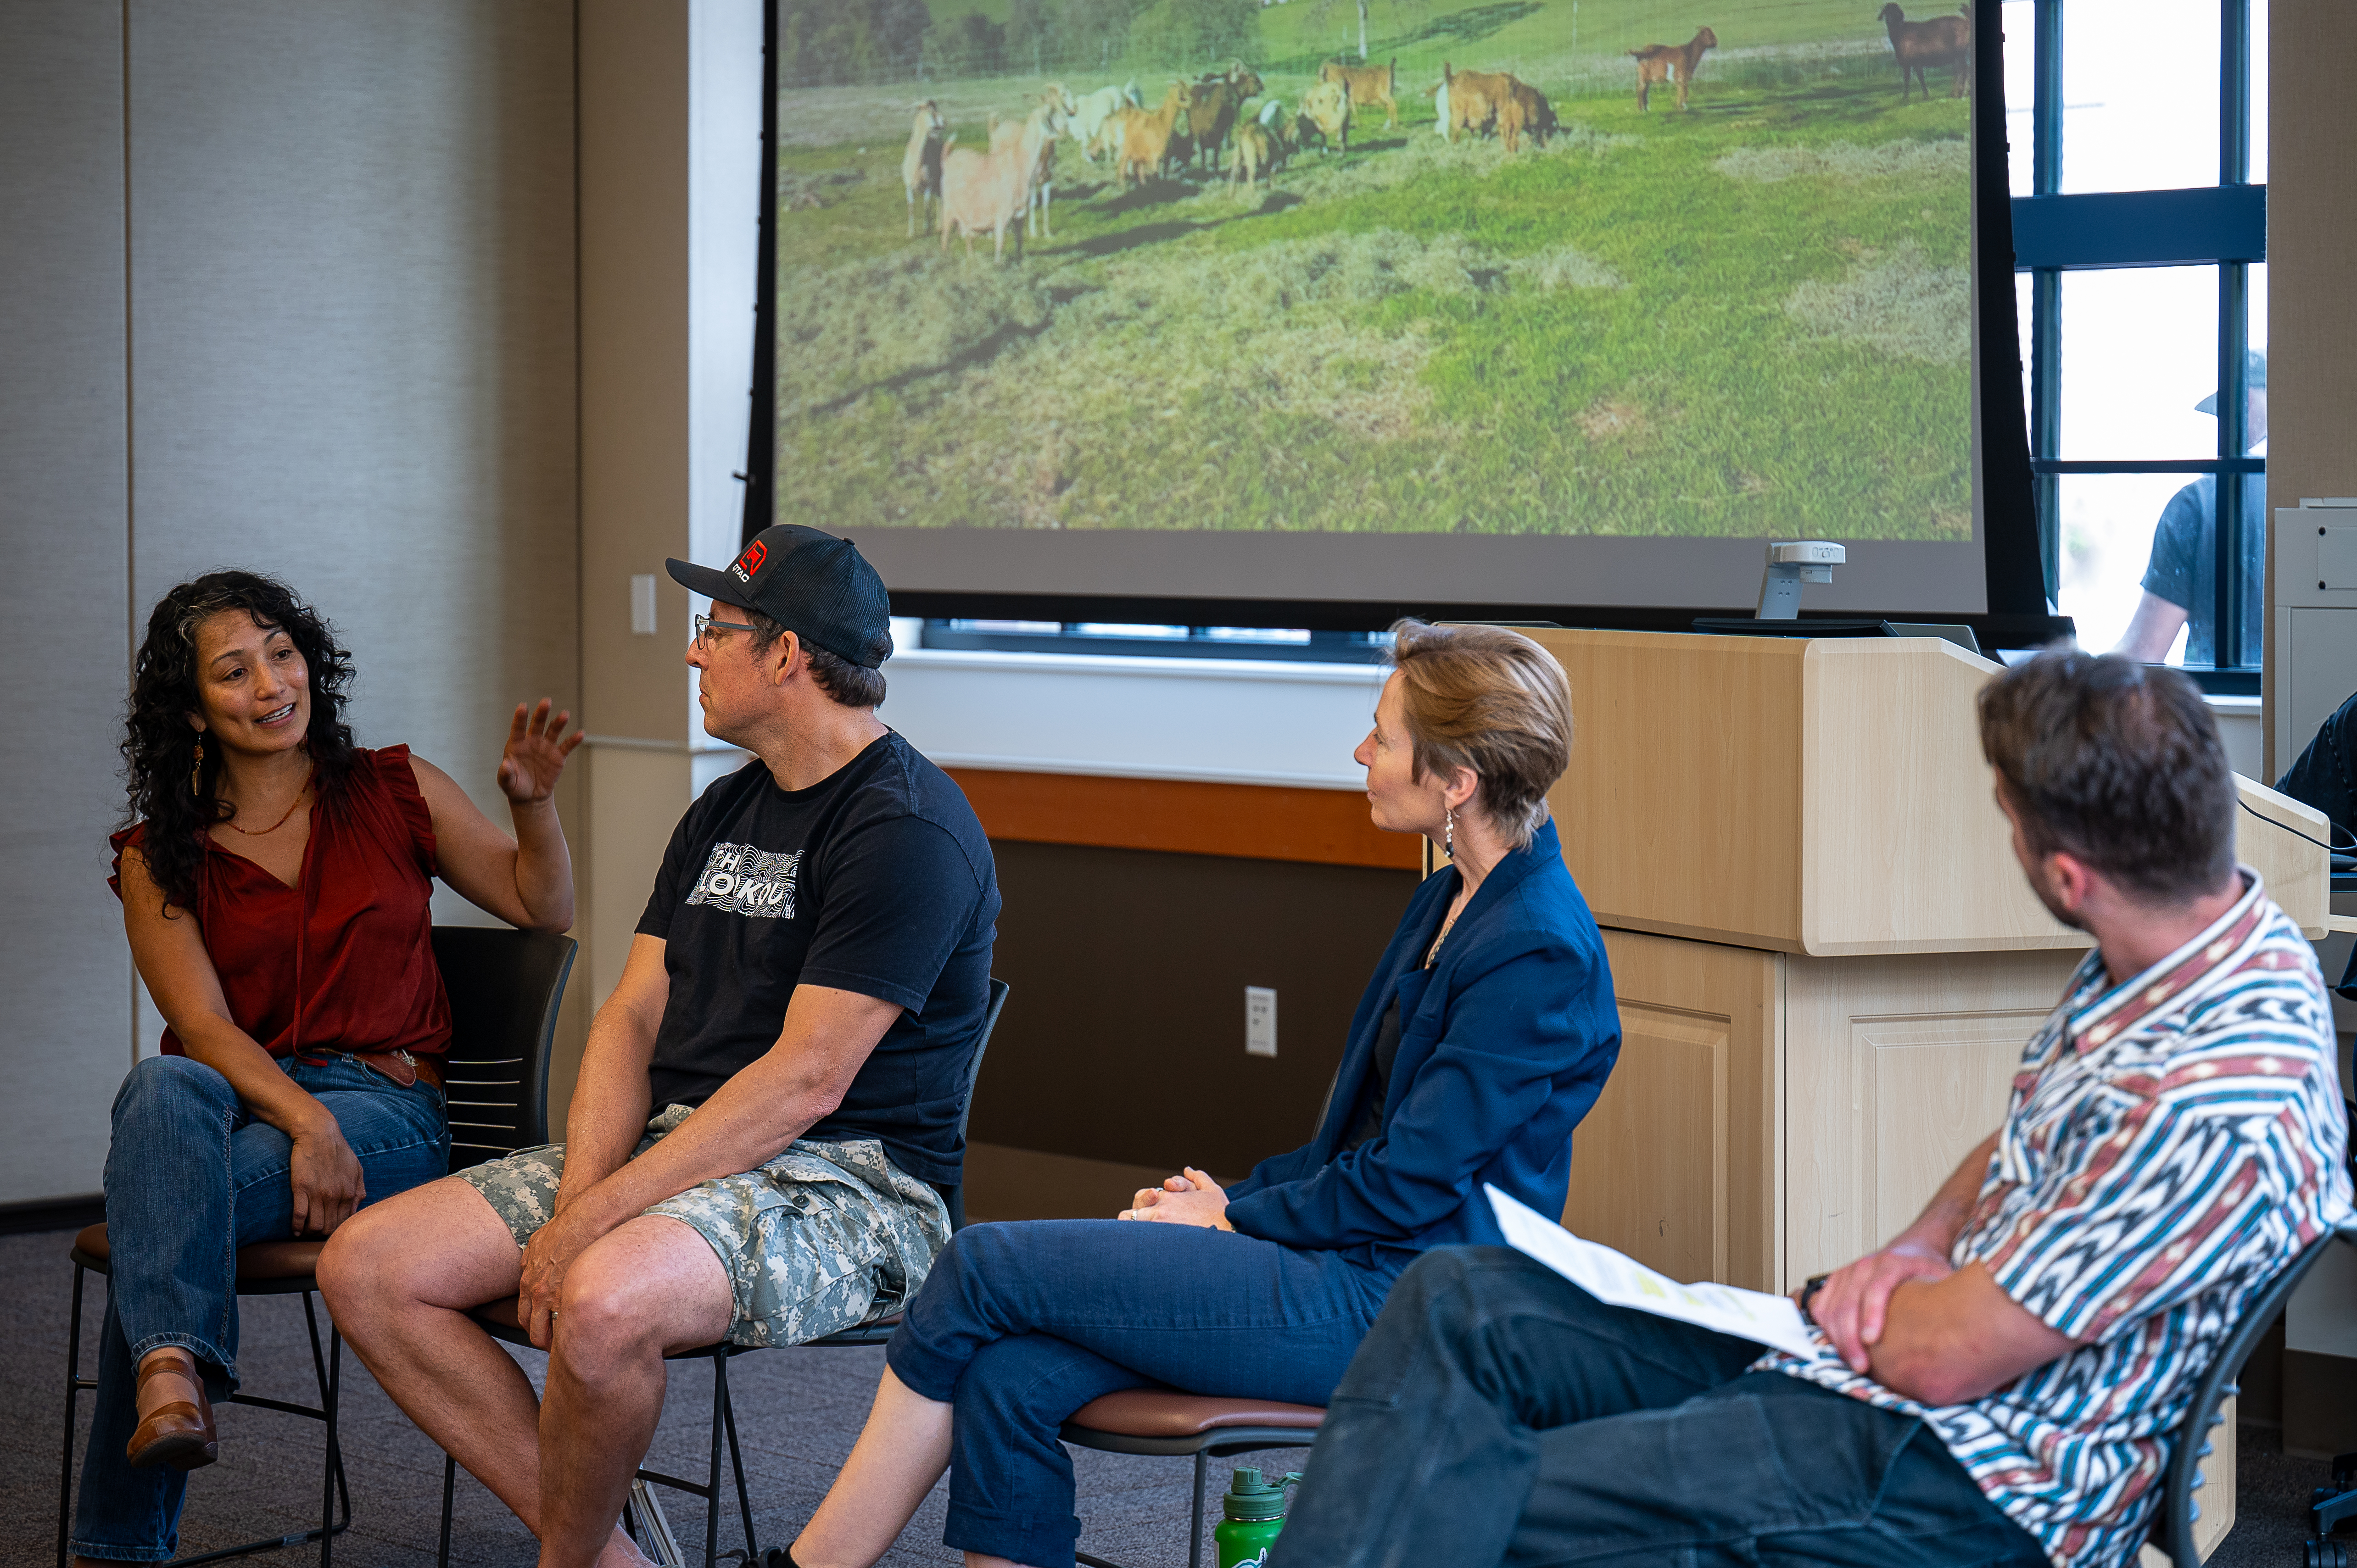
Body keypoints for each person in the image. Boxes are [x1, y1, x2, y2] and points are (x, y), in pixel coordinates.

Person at [1267, 649, 2351, 1568]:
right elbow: (2024, 1131)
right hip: (1885, 1375)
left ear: (2064, 875)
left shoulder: (2212, 1097)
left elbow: (1943, 1360)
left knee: (1472, 1493)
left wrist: (1856, 1303)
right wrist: (1907, 1250)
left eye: (2009, 825)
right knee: (1461, 1297)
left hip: (1965, 1474)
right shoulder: (2190, 932)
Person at [787, 620, 1623, 1568]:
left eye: (1383, 736)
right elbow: (1352, 1146)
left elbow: (1410, 1183)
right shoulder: (1450, 896)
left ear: (1458, 780)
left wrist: (1232, 1221)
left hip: (1403, 1301)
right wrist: (1228, 1202)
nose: (1361, 750)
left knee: (983, 1266)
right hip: (1348, 1263)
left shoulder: (1536, 945)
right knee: (1011, 1373)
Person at [318, 525, 1000, 1568]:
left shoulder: (905, 826)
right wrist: (581, 1192)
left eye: (713, 631)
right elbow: (631, 1015)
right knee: (370, 1264)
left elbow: (805, 1082)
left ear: (784, 655)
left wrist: (589, 1225)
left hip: (850, 1184)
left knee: (602, 1299)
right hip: (680, 1152)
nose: (692, 652)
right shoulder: (722, 807)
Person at [69, 570, 581, 1566]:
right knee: (162, 1082)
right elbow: (204, 1030)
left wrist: (534, 808)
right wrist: (308, 1124)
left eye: (282, 653)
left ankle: (142, 1461)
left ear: (313, 662)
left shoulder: (398, 787)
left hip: (391, 1107)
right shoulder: (155, 858)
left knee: (158, 1217)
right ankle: (170, 1368)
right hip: (254, 1099)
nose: (270, 684)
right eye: (233, 670)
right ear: (192, 709)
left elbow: (541, 907)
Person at [2115, 352, 2268, 666]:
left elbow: (2144, 653)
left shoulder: (2196, 506)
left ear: (2246, 402)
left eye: (2221, 413)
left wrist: (2071, 670)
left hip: (2214, 706)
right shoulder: (2311, 500)